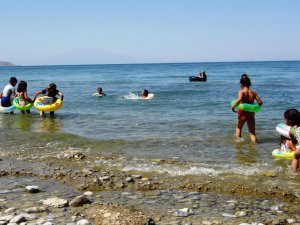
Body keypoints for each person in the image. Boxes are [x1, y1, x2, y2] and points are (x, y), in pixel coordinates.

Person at [231, 74, 263, 143]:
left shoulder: (241, 92)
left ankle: (238, 144)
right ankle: (255, 145)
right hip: (251, 113)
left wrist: (233, 107)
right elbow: (260, 102)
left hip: (242, 113)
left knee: (239, 128)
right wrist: (255, 107)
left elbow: (239, 99)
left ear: (241, 84)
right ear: (249, 84)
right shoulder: (253, 93)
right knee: (252, 132)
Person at [281, 109, 300, 173]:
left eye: (285, 119)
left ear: (289, 121)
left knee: (295, 156)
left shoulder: (292, 131)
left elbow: (294, 142)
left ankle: (295, 173)